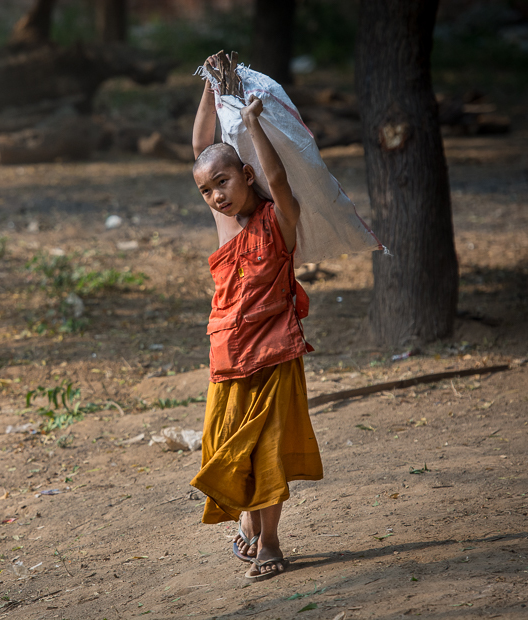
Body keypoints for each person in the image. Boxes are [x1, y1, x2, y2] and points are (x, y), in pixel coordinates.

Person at [189, 60, 324, 581]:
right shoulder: (227, 226)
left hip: (275, 353)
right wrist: (208, 89)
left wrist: (251, 126)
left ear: (245, 175)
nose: (217, 196)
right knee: (232, 445)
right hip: (228, 355)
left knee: (266, 447)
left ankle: (270, 541)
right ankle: (248, 521)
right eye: (207, 190)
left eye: (224, 182)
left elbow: (278, 178)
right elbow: (201, 149)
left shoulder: (280, 220)